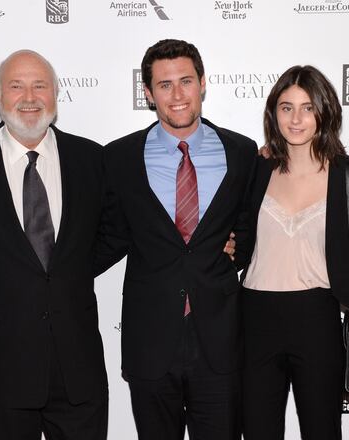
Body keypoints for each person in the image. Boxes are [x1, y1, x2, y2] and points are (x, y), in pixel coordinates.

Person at [0, 50, 108, 440]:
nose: (29, 97)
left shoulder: (92, 159)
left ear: (56, 94)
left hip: (79, 369)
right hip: (2, 371)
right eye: (16, 86)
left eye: (39, 85)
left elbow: (115, 233)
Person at [95, 39, 257, 440]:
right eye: (164, 85)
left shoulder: (241, 152)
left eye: (186, 81)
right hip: (150, 342)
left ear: (203, 83)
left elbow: (250, 228)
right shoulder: (119, 158)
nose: (177, 94)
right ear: (148, 93)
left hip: (220, 341)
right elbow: (109, 236)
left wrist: (236, 251)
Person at [237, 65, 349, 440]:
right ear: (273, 113)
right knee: (257, 431)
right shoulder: (255, 169)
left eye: (308, 108)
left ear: (325, 111)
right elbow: (233, 234)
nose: (296, 119)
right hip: (254, 316)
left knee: (322, 430)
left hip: (316, 317)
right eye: (286, 107)